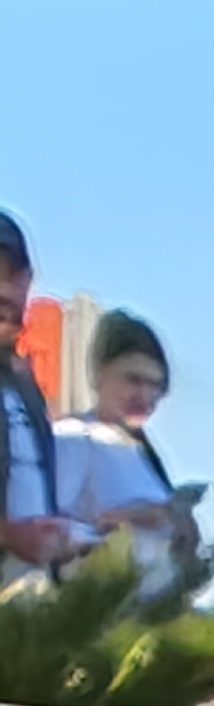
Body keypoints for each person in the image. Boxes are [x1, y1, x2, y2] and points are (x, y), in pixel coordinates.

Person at [53, 311, 199, 600]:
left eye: (155, 386)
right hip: (96, 607)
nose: (145, 395)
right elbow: (48, 527)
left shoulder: (140, 453)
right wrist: (126, 522)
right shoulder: (74, 437)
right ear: (99, 374)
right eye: (134, 380)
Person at [0, 217, 78, 577]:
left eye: (14, 276)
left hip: (28, 589)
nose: (6, 291)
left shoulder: (24, 383)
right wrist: (10, 534)